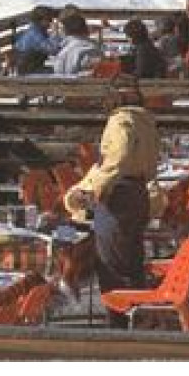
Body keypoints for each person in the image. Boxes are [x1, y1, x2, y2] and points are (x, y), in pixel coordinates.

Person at [63, 88, 160, 292]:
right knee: (132, 260)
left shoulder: (120, 120)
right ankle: (139, 313)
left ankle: (119, 320)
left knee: (111, 262)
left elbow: (118, 157)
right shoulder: (146, 121)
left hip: (118, 194)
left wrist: (97, 187)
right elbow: (151, 163)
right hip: (139, 191)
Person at [14, 5, 63, 74]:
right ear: (40, 20)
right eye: (49, 20)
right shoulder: (35, 35)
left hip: (32, 68)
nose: (51, 23)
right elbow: (53, 50)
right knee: (61, 72)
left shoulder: (36, 30)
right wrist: (55, 33)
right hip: (29, 73)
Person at [49, 12, 101, 76]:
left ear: (65, 31)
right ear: (85, 29)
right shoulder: (89, 48)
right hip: (80, 83)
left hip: (58, 82)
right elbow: (94, 72)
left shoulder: (62, 47)